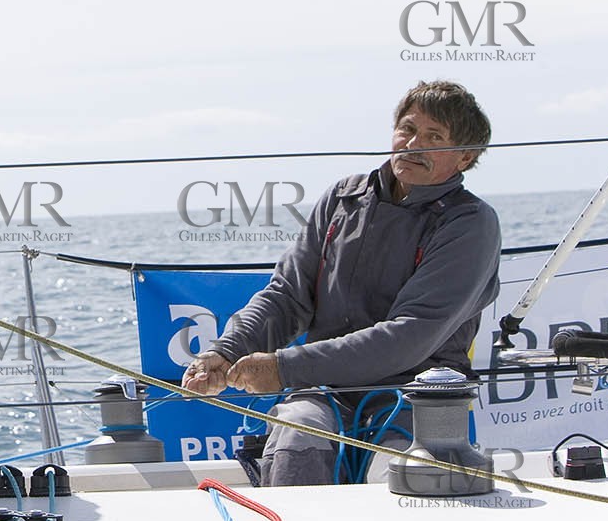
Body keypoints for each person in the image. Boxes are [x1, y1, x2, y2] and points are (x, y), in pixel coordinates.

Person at [181, 80, 502, 485]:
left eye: (434, 136)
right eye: (407, 129)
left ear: (465, 157)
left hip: (416, 399)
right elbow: (285, 296)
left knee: (402, 471)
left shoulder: (471, 223)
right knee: (297, 438)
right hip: (325, 390)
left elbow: (409, 335)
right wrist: (225, 352)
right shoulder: (342, 199)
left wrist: (282, 368)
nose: (413, 144)